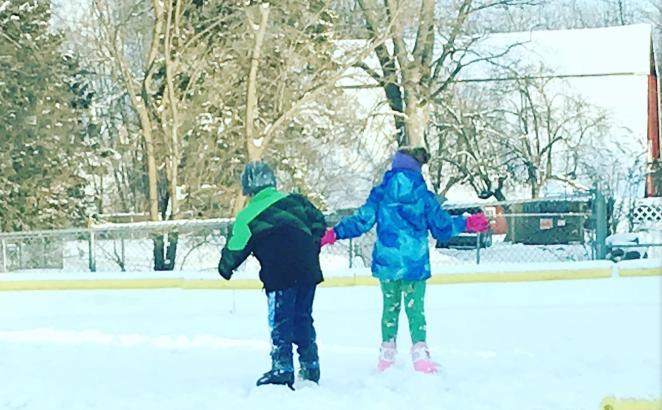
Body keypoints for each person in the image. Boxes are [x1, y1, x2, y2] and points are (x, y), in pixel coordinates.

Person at [320, 146, 489, 373]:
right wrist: (467, 223)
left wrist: (334, 233)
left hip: (388, 262)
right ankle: (420, 355)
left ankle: (386, 356)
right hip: (414, 263)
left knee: (390, 307)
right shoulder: (423, 196)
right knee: (415, 309)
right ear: (417, 168)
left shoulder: (380, 193)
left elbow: (361, 221)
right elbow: (442, 228)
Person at [218, 161, 327, 389]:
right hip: (308, 269)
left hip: (279, 273)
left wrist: (225, 267)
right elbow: (319, 221)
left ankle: (282, 367)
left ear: (247, 188)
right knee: (303, 317)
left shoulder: (247, 216)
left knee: (281, 320)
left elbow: (236, 250)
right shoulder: (297, 201)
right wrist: (311, 244)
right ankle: (311, 365)